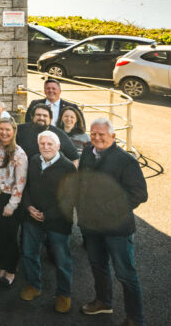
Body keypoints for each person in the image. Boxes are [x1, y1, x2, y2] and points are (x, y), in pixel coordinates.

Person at [68, 117, 148, 324]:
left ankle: (135, 318)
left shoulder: (126, 161)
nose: (96, 138)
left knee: (126, 274)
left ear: (113, 136)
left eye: (101, 134)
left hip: (116, 228)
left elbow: (139, 193)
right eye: (93, 134)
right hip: (91, 226)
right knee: (98, 266)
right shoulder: (87, 152)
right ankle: (103, 302)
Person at [19, 130, 77, 314]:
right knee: (29, 253)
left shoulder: (68, 167)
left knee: (62, 260)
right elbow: (25, 187)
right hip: (32, 218)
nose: (46, 147)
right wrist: (28, 208)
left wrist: (47, 215)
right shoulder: (34, 160)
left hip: (58, 222)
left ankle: (63, 294)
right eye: (42, 144)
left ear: (58, 146)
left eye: (50, 144)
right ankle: (34, 285)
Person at [0, 116, 28, 288]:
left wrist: (12, 205)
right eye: (1, 129)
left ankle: (10, 270)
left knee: (9, 237)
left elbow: (20, 182)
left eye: (7, 129)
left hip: (8, 198)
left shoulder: (19, 154)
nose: (4, 132)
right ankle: (1, 266)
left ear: (14, 131)